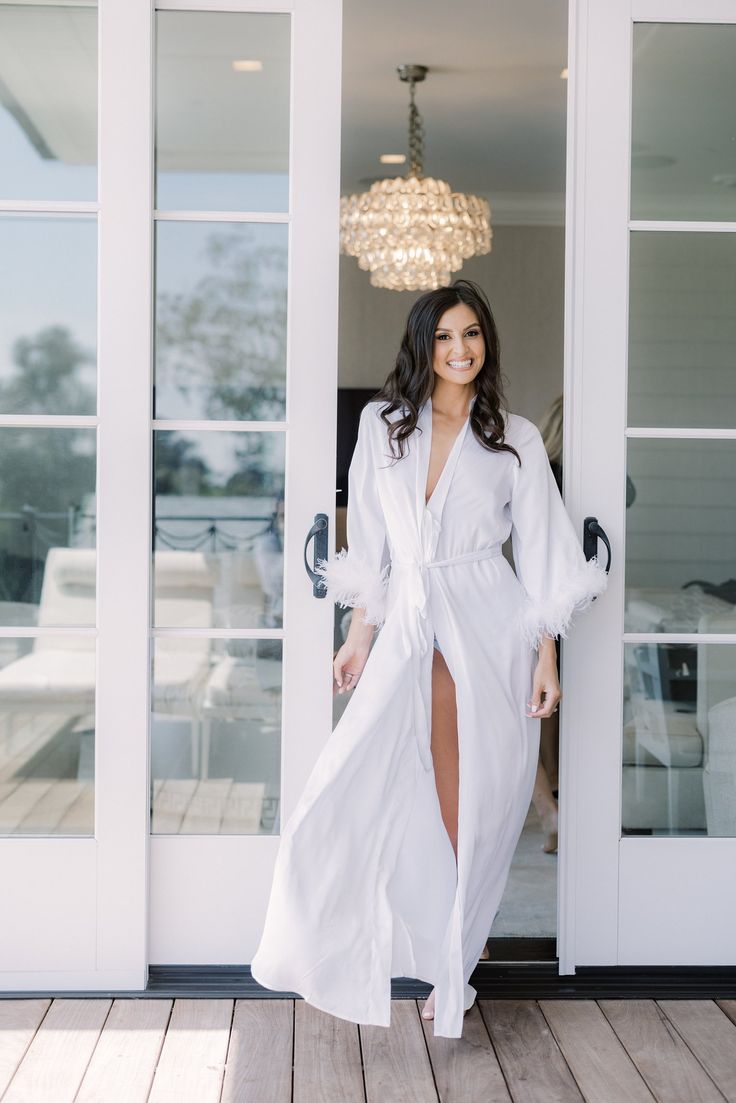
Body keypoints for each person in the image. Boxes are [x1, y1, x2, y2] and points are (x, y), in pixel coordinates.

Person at [249, 279, 608, 1038]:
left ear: (487, 342)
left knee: (473, 801)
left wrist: (547, 657)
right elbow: (373, 541)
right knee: (343, 784)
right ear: (423, 344)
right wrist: (357, 633)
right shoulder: (384, 426)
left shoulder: (509, 439)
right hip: (410, 614)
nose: (459, 349)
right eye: (444, 336)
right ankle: (325, 946)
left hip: (488, 622)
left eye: (472, 334)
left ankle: (455, 967)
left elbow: (544, 555)